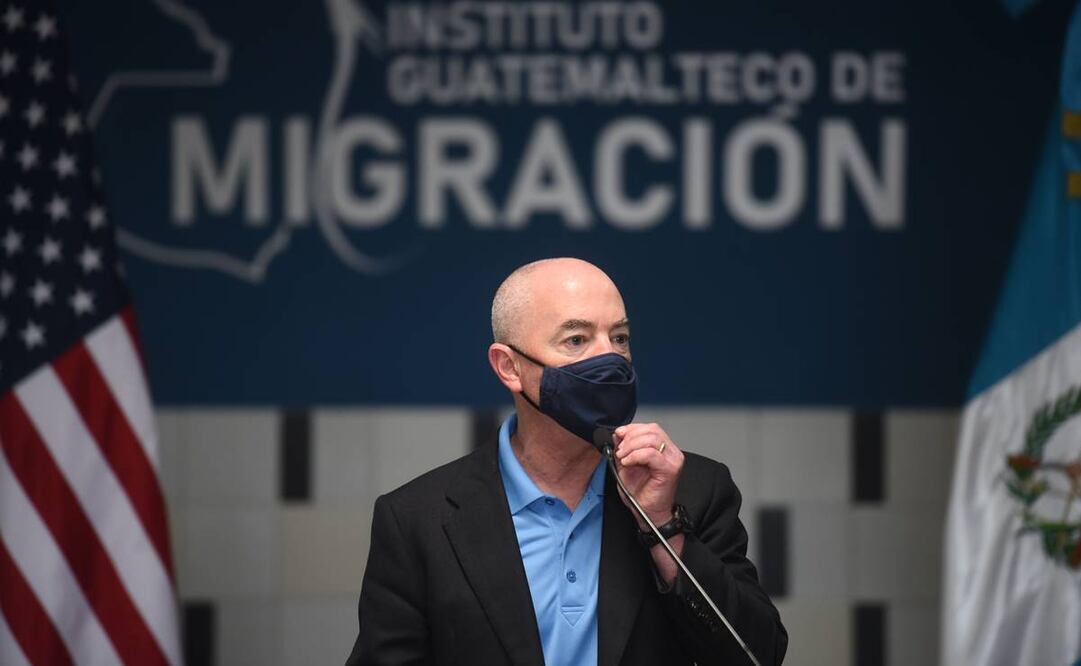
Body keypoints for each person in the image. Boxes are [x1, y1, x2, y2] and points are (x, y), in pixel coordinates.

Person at [345, 258, 787, 665]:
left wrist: (664, 528)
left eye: (620, 338)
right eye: (576, 339)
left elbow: (758, 655)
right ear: (509, 367)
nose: (608, 358)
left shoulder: (693, 488)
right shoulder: (417, 520)